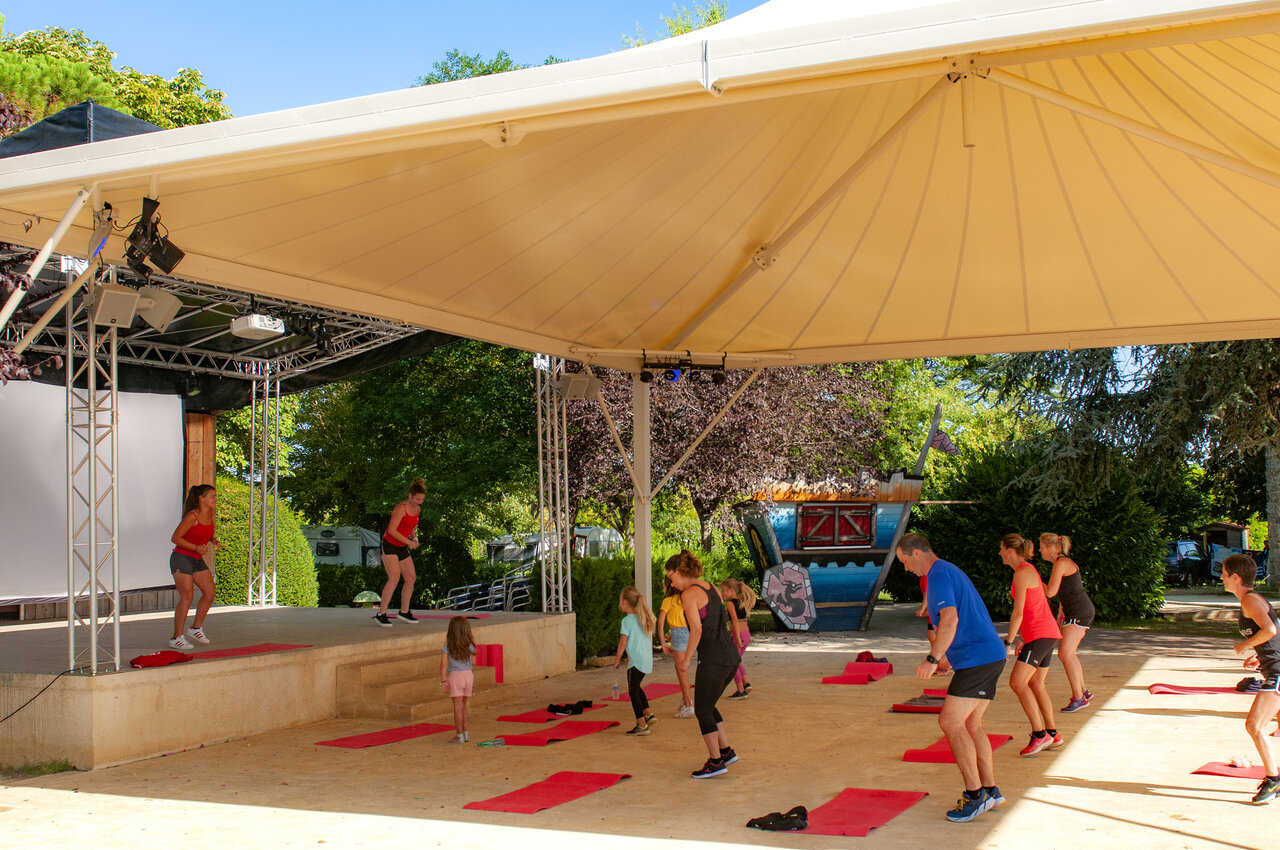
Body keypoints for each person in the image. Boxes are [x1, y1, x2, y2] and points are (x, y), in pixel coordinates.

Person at [899, 532, 1007, 823]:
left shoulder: (937, 575)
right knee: (971, 723)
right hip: (987, 655)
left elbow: (950, 619)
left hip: (979, 659)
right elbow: (961, 621)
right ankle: (990, 790)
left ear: (916, 553)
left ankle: (974, 795)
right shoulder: (946, 571)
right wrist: (946, 658)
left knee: (950, 721)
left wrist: (933, 659)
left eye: (904, 561)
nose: (906, 569)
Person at [666, 549, 740, 778]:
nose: (672, 584)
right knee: (708, 704)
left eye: (671, 578)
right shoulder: (711, 587)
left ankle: (716, 762)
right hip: (730, 657)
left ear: (680, 572)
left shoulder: (689, 594)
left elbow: (697, 630)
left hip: (714, 659)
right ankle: (725, 751)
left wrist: (686, 659)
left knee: (702, 710)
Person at [1221, 553, 1280, 804]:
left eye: (1224, 574)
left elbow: (1271, 629)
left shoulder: (1249, 600)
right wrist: (1259, 654)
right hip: (1273, 667)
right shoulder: (1250, 600)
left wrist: (1246, 645)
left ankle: (1273, 781)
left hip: (1278, 672)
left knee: (1254, 726)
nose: (1221, 578)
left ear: (1236, 577)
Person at [1001, 533, 1063, 757]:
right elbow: (1033, 606)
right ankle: (1053, 733)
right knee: (1036, 684)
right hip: (1044, 634)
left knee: (1018, 683)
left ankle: (1039, 734)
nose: (1000, 553)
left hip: (1040, 635)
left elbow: (1018, 612)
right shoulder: (1027, 570)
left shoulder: (1022, 572)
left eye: (1001, 549)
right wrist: (1022, 637)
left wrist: (1008, 641)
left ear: (1010, 551)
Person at [1040, 533, 1095, 712]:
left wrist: (1034, 579)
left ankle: (1079, 698)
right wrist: (1060, 612)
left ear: (1051, 547)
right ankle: (1083, 691)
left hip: (1079, 611)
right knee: (1069, 653)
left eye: (1042, 547)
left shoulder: (1061, 563)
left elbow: (1051, 592)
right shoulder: (1062, 563)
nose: (1040, 550)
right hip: (1078, 611)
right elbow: (1067, 590)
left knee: (1065, 653)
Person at [168, 484, 219, 650]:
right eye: (212, 496)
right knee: (187, 597)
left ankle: (195, 628)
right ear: (201, 499)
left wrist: (212, 539)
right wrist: (196, 548)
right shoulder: (192, 516)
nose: (215, 499)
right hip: (181, 558)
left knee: (210, 593)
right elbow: (175, 538)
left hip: (196, 559)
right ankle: (176, 638)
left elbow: (202, 532)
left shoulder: (209, 513)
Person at [375, 478, 425, 627]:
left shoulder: (417, 509)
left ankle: (404, 611)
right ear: (410, 496)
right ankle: (381, 614)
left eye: (422, 499)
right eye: (417, 499)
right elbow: (392, 530)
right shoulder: (400, 508)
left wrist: (414, 538)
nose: (420, 502)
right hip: (389, 545)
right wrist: (409, 542)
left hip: (402, 546)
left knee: (411, 577)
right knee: (394, 577)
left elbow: (411, 525)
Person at [613, 586, 659, 735]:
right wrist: (631, 654)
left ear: (625, 603)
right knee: (636, 687)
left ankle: (641, 724)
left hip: (636, 662)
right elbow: (638, 641)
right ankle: (648, 714)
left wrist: (617, 659)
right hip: (645, 659)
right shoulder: (642, 618)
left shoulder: (627, 621)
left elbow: (623, 642)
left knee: (633, 691)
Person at [658, 577, 695, 718]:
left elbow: (660, 623)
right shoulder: (684, 598)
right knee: (681, 669)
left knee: (681, 671)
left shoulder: (668, 600)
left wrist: (663, 643)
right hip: (689, 631)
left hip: (678, 633)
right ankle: (686, 699)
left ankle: (688, 703)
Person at [439, 616, 475, 743]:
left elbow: (443, 664)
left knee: (457, 706)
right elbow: (474, 662)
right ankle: (466, 733)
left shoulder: (448, 646)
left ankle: (459, 735)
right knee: (464, 705)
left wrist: (443, 681)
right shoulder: (470, 645)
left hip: (456, 676)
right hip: (469, 675)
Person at [720, 578, 756, 699]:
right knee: (737, 660)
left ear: (731, 590)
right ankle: (746, 683)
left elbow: (735, 621)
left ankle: (741, 690)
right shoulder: (742, 601)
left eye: (723, 590)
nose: (722, 593)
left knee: (733, 663)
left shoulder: (730, 604)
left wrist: (737, 638)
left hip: (738, 635)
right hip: (746, 634)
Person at [916, 573, 951, 674]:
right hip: (934, 608)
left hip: (937, 609)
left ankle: (943, 660)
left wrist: (923, 607)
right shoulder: (929, 575)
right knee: (932, 636)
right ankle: (939, 661)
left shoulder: (927, 575)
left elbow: (927, 592)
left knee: (934, 636)